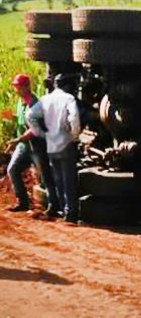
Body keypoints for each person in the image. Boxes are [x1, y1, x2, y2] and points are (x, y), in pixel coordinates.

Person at [27, 73, 81, 223]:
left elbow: (30, 115)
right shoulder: (69, 99)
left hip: (51, 146)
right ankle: (70, 213)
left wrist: (41, 134)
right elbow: (74, 118)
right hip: (66, 145)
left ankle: (63, 210)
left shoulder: (45, 99)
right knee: (69, 179)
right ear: (68, 85)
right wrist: (74, 135)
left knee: (58, 180)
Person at [4, 73, 60, 215]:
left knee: (45, 176)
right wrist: (11, 117)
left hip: (37, 145)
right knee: (13, 169)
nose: (17, 90)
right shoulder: (21, 103)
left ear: (27, 87)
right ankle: (22, 202)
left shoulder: (35, 104)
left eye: (19, 87)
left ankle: (54, 206)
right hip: (24, 145)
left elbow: (34, 130)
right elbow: (23, 121)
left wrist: (17, 140)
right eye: (16, 87)